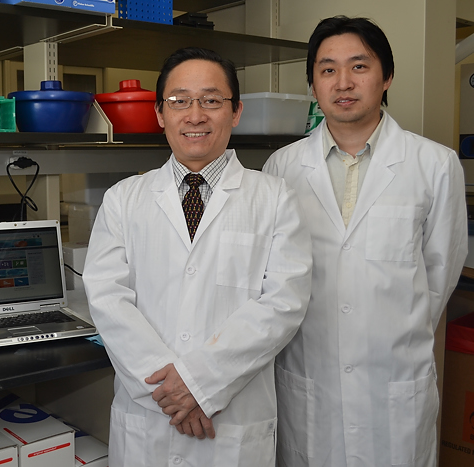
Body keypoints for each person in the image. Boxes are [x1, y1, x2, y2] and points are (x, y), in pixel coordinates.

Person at [82, 46, 313, 467]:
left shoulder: (275, 198)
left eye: (211, 100)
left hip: (231, 414)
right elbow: (107, 300)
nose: (195, 115)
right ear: (159, 113)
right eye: (179, 101)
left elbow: (283, 303)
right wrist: (174, 393)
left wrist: (201, 384)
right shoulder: (123, 200)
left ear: (236, 111)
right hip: (150, 413)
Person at [263, 16, 468, 467]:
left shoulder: (435, 164)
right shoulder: (282, 168)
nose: (344, 82)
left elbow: (439, 275)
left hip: (394, 381)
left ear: (386, 76)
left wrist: (386, 330)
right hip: (308, 377)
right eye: (328, 69)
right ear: (313, 84)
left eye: (359, 66)